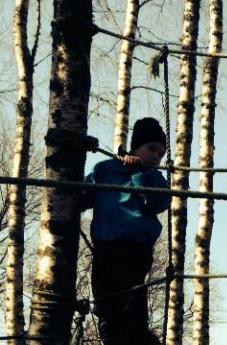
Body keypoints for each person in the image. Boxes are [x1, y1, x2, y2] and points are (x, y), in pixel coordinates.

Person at [83, 117, 170, 344]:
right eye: (151, 148)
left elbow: (157, 202)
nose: (155, 156)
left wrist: (138, 172)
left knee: (129, 312)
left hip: (135, 252)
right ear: (136, 146)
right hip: (105, 251)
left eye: (161, 154)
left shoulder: (155, 178)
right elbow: (81, 195)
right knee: (107, 310)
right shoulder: (106, 169)